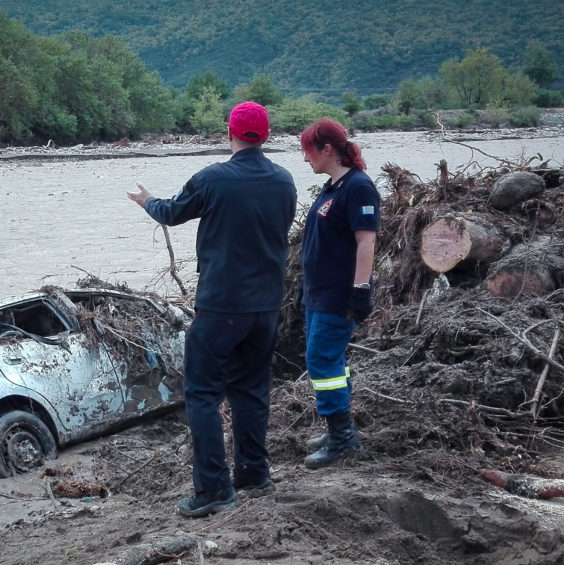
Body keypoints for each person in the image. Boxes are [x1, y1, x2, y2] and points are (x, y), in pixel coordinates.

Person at [126, 102, 297, 517]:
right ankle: (254, 474)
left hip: (222, 305)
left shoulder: (213, 178)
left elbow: (172, 213)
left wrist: (146, 200)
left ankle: (214, 488)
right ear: (268, 136)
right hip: (266, 305)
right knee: (251, 390)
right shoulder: (284, 180)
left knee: (201, 394)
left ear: (229, 134)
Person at [298, 117, 379, 469]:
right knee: (331, 363)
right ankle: (337, 429)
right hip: (317, 293)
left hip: (338, 294)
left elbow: (367, 242)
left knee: (322, 361)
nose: (305, 159)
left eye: (308, 151)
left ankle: (343, 438)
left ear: (327, 149)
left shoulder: (358, 187)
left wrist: (360, 290)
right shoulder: (332, 185)